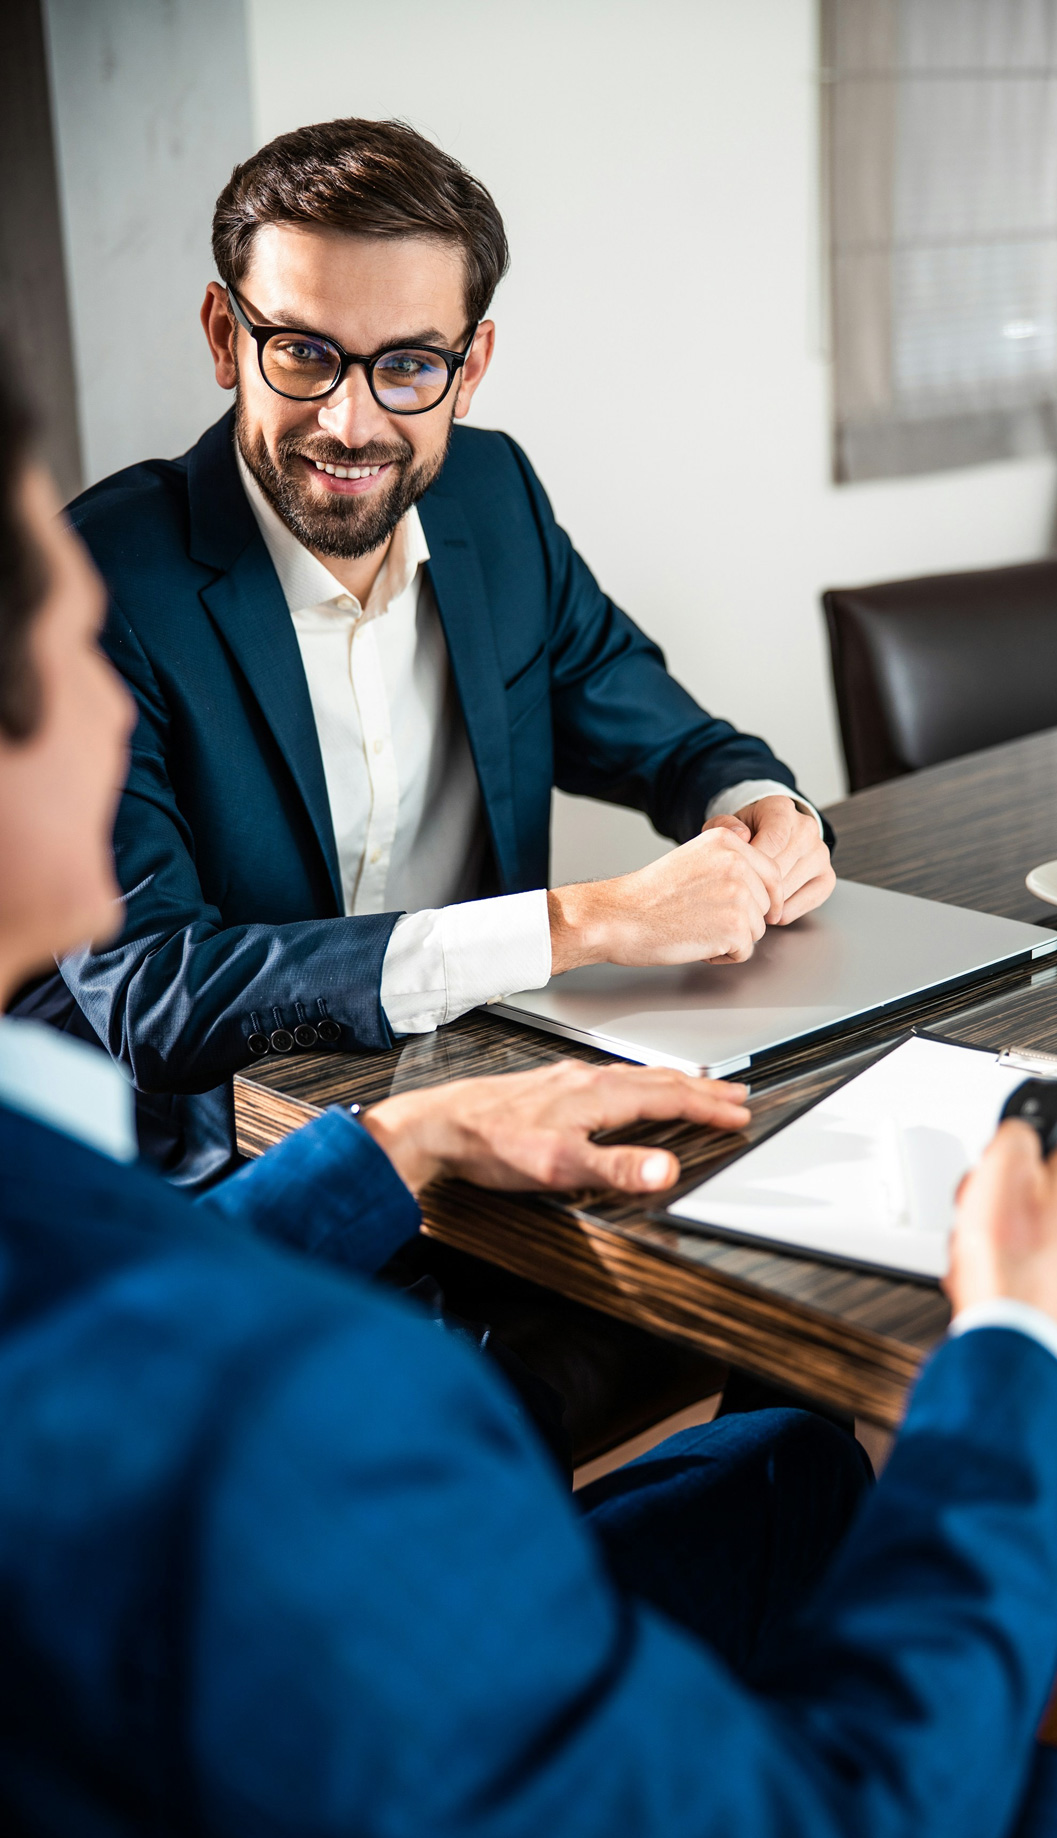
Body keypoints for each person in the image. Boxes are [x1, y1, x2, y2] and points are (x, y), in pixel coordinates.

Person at [2, 376, 1057, 1838]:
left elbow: (100, 1309)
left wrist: (394, 1144)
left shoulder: (59, 1215)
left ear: (468, 359)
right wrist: (1008, 1340)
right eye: (74, 649)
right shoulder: (308, 1409)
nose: (124, 701)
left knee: (798, 1460)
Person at [43, 117, 836, 1190]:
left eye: (408, 365)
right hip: (225, 1176)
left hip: (497, 1098)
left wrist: (762, 811)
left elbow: (665, 733)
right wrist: (587, 921)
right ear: (225, 337)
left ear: (471, 369)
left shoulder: (492, 496)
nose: (350, 421)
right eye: (305, 353)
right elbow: (155, 996)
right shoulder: (99, 581)